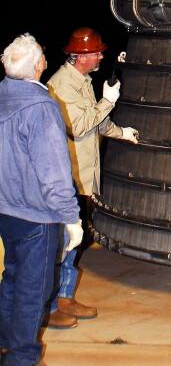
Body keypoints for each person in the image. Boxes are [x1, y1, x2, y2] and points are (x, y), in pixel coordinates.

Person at [46, 27, 139, 327]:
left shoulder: (82, 81)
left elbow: (97, 123)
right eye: (96, 52)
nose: (101, 55)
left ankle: (65, 297)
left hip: (83, 175)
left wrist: (119, 132)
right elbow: (80, 127)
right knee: (64, 241)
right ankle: (51, 306)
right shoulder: (61, 85)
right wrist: (108, 101)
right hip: (68, 178)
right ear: (81, 56)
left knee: (75, 240)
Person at [0, 33, 82, 366]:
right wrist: (71, 217)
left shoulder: (3, 97)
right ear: (38, 65)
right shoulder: (41, 107)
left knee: (13, 278)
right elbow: (54, 175)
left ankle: (5, 344)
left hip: (6, 210)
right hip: (37, 217)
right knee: (34, 291)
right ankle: (23, 358)